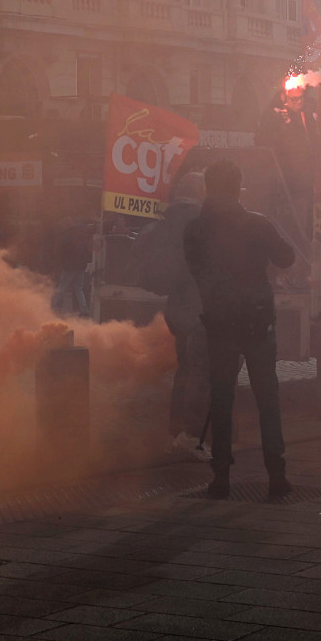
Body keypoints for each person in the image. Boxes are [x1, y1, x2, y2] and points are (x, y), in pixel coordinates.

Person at [183, 159, 297, 500]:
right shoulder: (257, 224)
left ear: (208, 188)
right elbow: (287, 258)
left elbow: (197, 272)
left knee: (221, 400)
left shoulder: (194, 230)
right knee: (267, 399)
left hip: (219, 324)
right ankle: (276, 476)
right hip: (258, 322)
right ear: (238, 187)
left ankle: (221, 479)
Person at [133, 171, 210, 460]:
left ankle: (177, 434)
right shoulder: (202, 222)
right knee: (201, 374)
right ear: (200, 191)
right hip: (199, 305)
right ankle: (191, 437)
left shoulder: (167, 221)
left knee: (186, 370)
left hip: (177, 306)